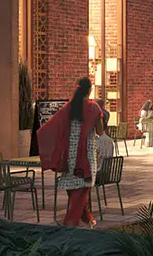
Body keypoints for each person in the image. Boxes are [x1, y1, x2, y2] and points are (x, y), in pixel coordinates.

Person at [38, 77, 104, 227]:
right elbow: (99, 131)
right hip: (86, 155)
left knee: (73, 189)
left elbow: (52, 127)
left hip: (69, 156)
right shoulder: (94, 108)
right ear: (90, 90)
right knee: (82, 190)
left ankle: (87, 220)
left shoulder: (68, 107)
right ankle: (70, 223)